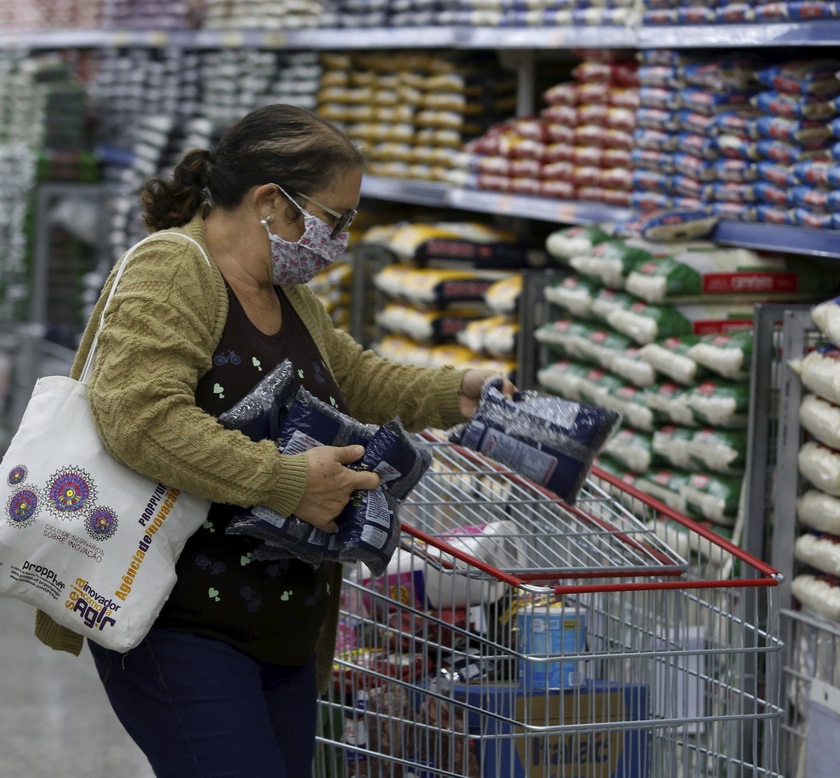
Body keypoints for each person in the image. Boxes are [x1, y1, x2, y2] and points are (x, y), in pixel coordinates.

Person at [32, 103, 511, 777]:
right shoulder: (174, 269)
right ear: (268, 203)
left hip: (285, 638)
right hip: (177, 625)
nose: (339, 241)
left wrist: (457, 389)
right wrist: (286, 481)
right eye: (333, 219)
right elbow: (140, 417)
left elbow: (352, 376)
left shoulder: (288, 294)